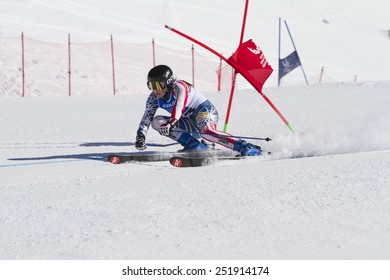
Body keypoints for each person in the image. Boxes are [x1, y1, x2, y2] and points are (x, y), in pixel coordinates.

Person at [135, 64, 262, 156]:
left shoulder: (179, 87)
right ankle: (195, 146)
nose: (155, 90)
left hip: (204, 111)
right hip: (188, 121)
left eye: (158, 85)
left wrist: (172, 122)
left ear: (168, 83)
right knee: (156, 122)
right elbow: (147, 118)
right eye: (151, 85)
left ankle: (244, 146)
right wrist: (141, 136)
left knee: (207, 133)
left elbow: (179, 105)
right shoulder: (153, 98)